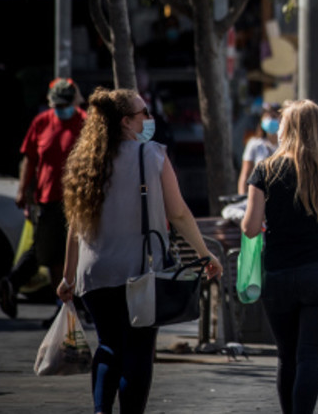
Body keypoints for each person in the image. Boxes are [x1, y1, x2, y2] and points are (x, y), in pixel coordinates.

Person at [58, 88, 223, 413]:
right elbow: (178, 214)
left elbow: (74, 226)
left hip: (95, 274)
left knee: (108, 345)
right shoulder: (152, 155)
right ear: (126, 121)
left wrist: (67, 277)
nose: (149, 118)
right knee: (138, 350)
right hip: (140, 272)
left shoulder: (84, 161)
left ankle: (101, 410)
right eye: (143, 113)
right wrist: (205, 253)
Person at [241, 100, 318, 413]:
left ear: (286, 130)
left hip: (279, 275)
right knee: (310, 356)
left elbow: (250, 229)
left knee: (287, 355)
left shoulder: (266, 170)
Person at [0, 78, 86, 321]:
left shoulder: (85, 123)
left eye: (65, 104)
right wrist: (23, 190)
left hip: (77, 200)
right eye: (57, 105)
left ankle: (66, 305)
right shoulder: (42, 122)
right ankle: (64, 307)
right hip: (48, 199)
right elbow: (29, 159)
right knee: (50, 253)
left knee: (70, 252)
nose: (61, 109)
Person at [237, 104, 280, 194]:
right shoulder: (254, 144)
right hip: (258, 195)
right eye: (266, 116)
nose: (270, 120)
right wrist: (242, 196)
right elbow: (245, 174)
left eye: (273, 116)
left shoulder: (286, 145)